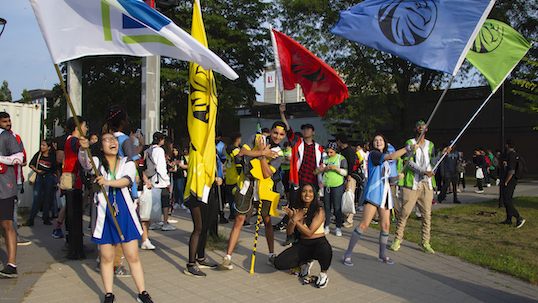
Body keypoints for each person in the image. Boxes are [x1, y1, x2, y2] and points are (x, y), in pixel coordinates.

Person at [78, 133, 153, 303]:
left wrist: (107, 182)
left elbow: (126, 181)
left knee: (132, 256)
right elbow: (86, 163)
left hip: (125, 212)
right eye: (107, 139)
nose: (112, 142)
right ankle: (109, 294)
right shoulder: (97, 163)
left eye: (114, 139)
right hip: (104, 214)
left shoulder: (126, 162)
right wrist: (83, 149)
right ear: (101, 146)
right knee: (106, 257)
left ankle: (142, 293)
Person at [219, 121, 285, 270]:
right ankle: (228, 256)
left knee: (267, 221)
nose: (277, 136)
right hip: (246, 185)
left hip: (264, 189)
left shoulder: (279, 153)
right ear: (271, 131)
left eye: (281, 134)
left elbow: (267, 173)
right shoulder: (257, 139)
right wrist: (262, 152)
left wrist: (261, 157)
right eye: (275, 132)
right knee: (239, 220)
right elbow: (242, 152)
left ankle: (271, 254)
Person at [343, 135, 414, 266]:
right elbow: (392, 157)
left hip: (385, 195)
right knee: (364, 225)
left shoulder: (387, 160)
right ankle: (347, 253)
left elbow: (389, 180)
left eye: (381, 140)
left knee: (386, 226)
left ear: (385, 143)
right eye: (376, 140)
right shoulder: (374, 155)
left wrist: (398, 177)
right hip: (373, 193)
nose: (378, 142)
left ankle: (382, 255)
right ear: (373, 144)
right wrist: (407, 148)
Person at [389, 120, 449, 254]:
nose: (421, 127)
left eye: (424, 125)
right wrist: (423, 171)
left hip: (427, 184)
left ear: (427, 129)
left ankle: (425, 242)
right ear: (415, 128)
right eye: (419, 125)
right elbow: (408, 162)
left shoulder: (430, 145)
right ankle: (398, 239)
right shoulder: (410, 143)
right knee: (404, 212)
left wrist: (441, 154)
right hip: (411, 184)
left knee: (426, 214)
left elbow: (433, 162)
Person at [275, 104, 323, 237]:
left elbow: (321, 164)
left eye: (308, 129)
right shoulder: (298, 142)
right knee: (295, 207)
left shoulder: (319, 148)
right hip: (299, 180)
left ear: (313, 132)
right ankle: (290, 234)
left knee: (310, 207)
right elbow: (288, 129)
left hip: (313, 182)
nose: (306, 131)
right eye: (304, 129)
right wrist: (282, 113)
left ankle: (308, 231)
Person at [273, 183, 332, 288]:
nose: (307, 194)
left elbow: (309, 232)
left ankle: (323, 274)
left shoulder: (319, 211)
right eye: (304, 191)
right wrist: (292, 220)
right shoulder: (298, 210)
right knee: (279, 263)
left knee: (326, 249)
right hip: (303, 244)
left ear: (314, 194)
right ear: (300, 194)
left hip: (318, 242)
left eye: (310, 191)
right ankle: (304, 263)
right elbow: (289, 232)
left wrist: (296, 220)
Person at [0, 111, 25, 278]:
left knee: (7, 224)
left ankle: (11, 264)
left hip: (5, 187)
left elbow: (19, 158)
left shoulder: (8, 137)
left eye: (9, 121)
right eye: (4, 121)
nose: (8, 123)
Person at [24, 139, 58, 226]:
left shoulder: (52, 156)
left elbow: (56, 169)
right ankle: (31, 219)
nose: (41, 147)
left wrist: (58, 180)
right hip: (39, 178)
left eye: (44, 145)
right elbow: (31, 164)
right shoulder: (38, 154)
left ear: (48, 147)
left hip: (49, 178)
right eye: (41, 145)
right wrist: (37, 170)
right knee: (36, 199)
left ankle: (46, 218)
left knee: (47, 199)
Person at [318, 142, 347, 236]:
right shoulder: (324, 158)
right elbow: (317, 170)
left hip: (337, 185)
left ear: (335, 151)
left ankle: (338, 227)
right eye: (328, 152)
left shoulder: (340, 158)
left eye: (331, 152)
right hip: (326, 185)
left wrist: (335, 168)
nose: (329, 154)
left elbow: (345, 172)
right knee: (326, 206)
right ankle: (326, 225)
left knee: (337, 207)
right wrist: (322, 169)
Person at [334, 133, 359, 228]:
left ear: (339, 141)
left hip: (350, 177)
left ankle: (349, 219)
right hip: (344, 177)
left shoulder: (348, 151)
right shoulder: (343, 151)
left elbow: (351, 166)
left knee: (350, 196)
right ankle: (344, 217)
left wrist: (348, 179)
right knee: (344, 197)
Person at [498, 140, 525, 228]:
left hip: (509, 181)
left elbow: (511, 171)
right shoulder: (515, 155)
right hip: (513, 180)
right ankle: (508, 219)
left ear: (508, 145)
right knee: (508, 199)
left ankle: (518, 217)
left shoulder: (511, 156)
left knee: (506, 200)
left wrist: (506, 181)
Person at [224, 132, 242, 221]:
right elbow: (238, 163)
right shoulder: (235, 150)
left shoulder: (228, 149)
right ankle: (235, 215)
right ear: (238, 139)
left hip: (228, 177)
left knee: (231, 199)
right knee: (236, 198)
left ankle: (232, 215)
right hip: (235, 177)